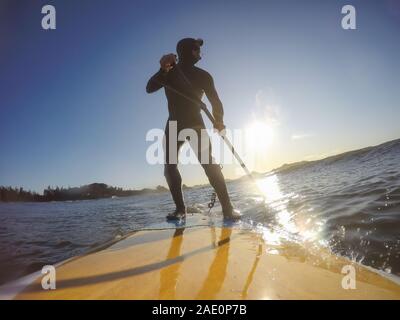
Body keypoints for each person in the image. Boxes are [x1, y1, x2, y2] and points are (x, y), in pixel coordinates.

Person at [146, 38, 241, 221]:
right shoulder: (171, 72)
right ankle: (187, 209)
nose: (200, 54)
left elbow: (215, 101)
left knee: (190, 166)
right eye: (197, 50)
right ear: (190, 51)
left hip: (181, 123)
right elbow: (150, 88)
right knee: (178, 166)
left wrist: (218, 120)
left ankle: (221, 208)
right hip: (182, 124)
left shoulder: (200, 75)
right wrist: (163, 68)